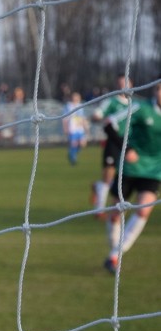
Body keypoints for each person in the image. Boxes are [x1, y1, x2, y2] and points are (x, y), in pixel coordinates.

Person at [101, 80, 161, 274]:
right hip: (130, 169)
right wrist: (127, 149)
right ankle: (114, 249)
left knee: (144, 210)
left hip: (154, 171)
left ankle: (115, 255)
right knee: (115, 214)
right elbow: (109, 124)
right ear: (155, 90)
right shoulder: (140, 108)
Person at [91, 75, 134, 218]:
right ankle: (99, 210)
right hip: (113, 142)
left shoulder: (136, 104)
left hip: (129, 143)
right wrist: (100, 118)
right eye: (120, 84)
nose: (123, 86)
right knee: (109, 175)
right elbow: (97, 115)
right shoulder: (111, 101)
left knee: (127, 176)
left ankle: (99, 188)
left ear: (131, 84)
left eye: (126, 83)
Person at [63, 91, 88, 166]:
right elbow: (65, 118)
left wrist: (85, 127)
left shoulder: (80, 106)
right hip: (72, 128)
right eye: (75, 96)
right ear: (72, 97)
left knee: (82, 144)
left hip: (80, 129)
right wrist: (65, 128)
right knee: (73, 144)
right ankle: (73, 159)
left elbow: (83, 118)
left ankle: (71, 154)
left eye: (78, 97)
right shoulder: (68, 106)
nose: (76, 98)